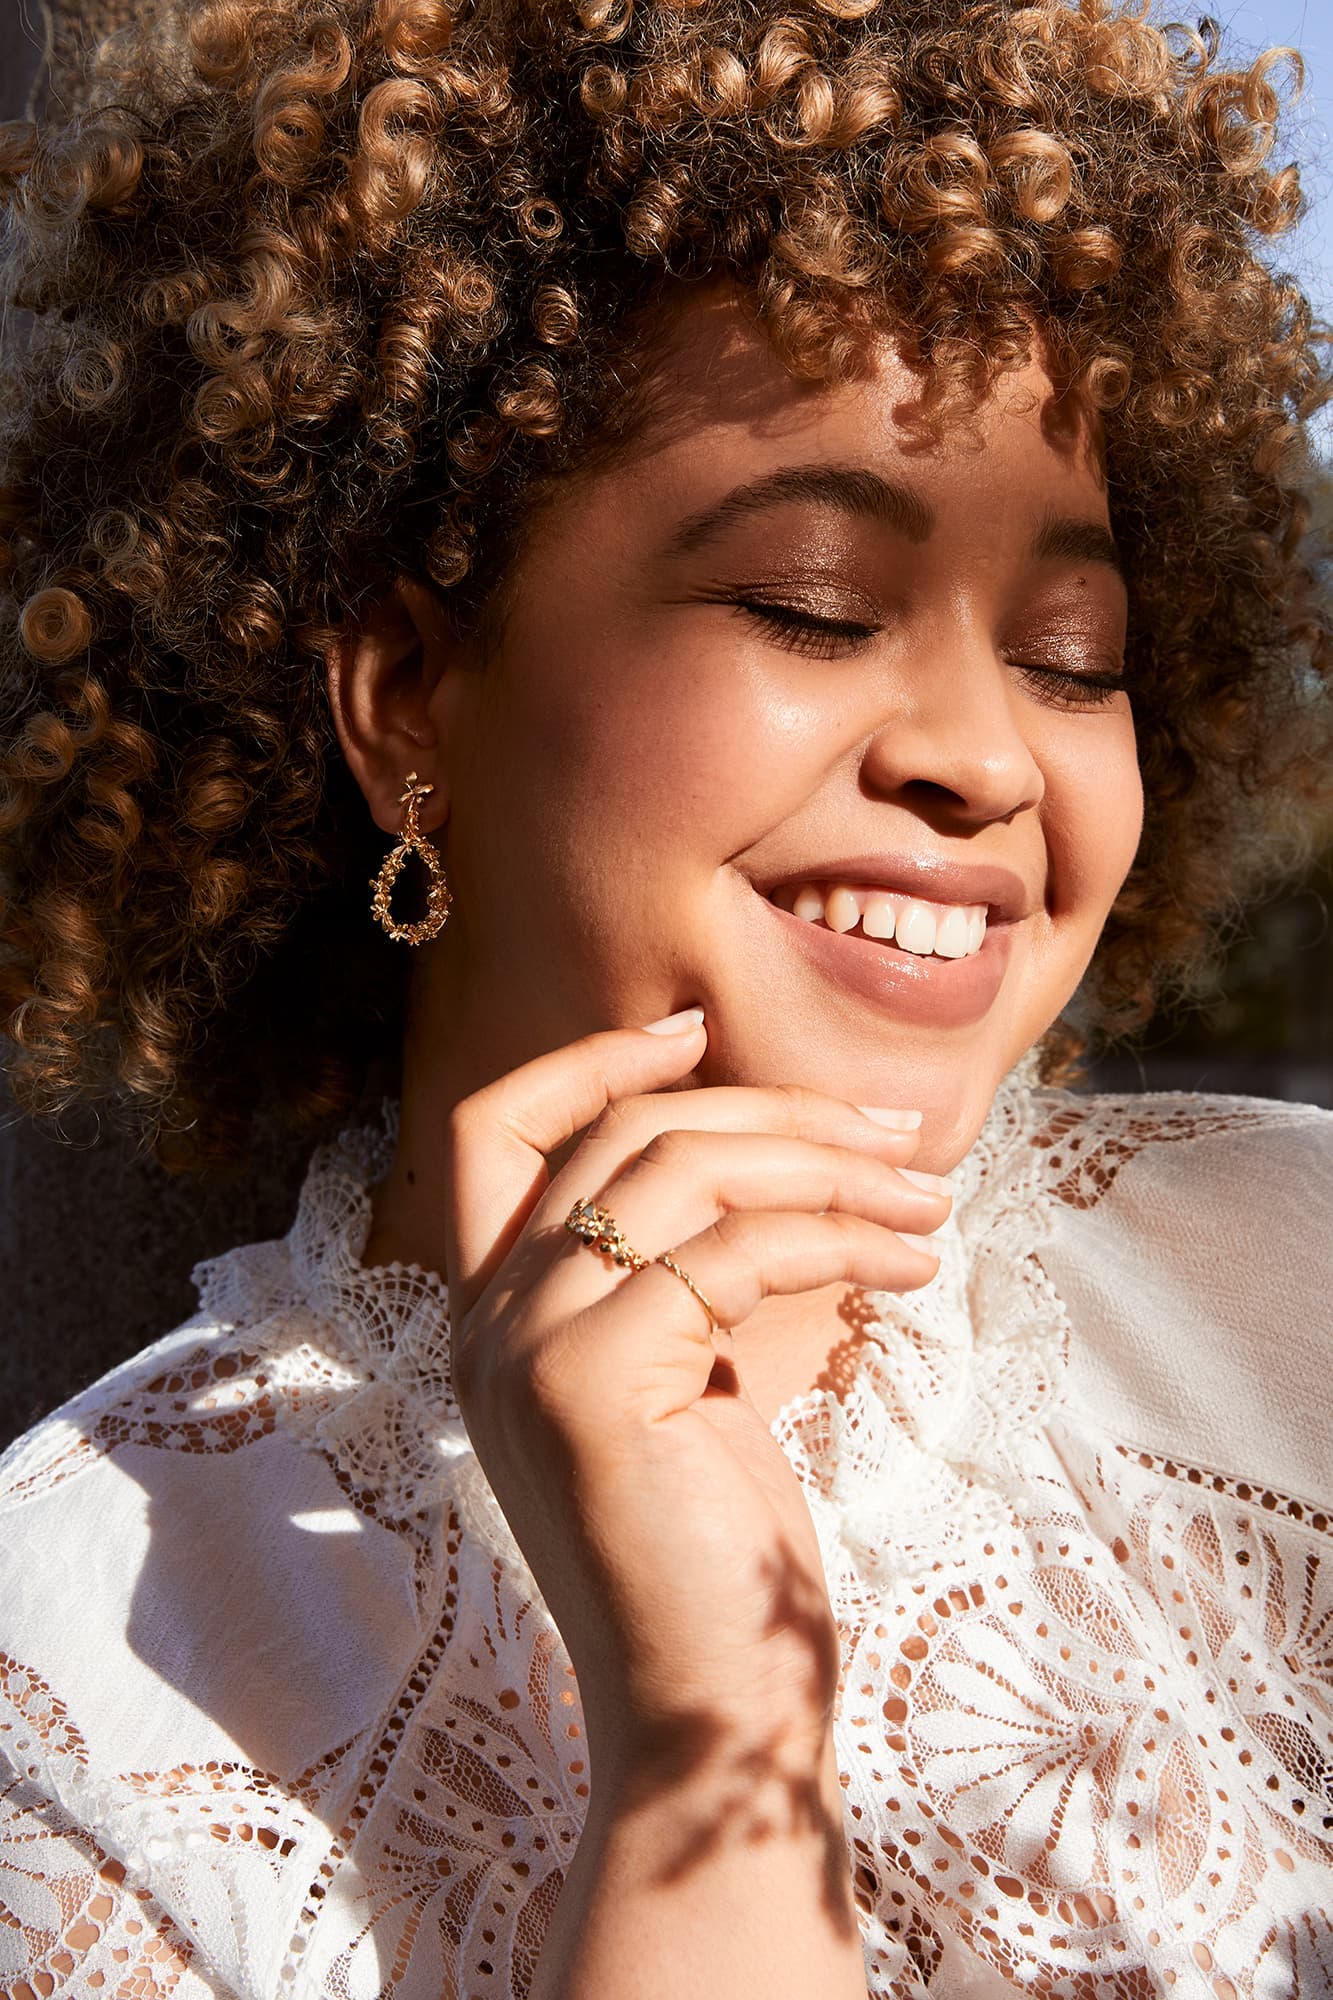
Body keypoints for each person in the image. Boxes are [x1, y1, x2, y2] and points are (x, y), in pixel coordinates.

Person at [0, 0, 1329, 1989]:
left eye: (1073, 649)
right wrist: (709, 1734)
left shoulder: (1286, 1292)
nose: (984, 753)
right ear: (405, 700)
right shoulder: (75, 1694)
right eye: (807, 603)